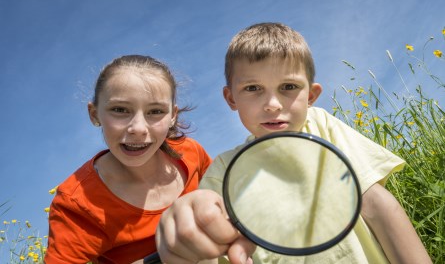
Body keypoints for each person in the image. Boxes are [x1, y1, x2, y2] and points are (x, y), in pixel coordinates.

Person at [155, 23, 432, 263]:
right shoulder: (224, 170)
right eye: (253, 88)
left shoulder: (322, 126)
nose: (273, 105)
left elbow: (377, 205)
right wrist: (184, 241)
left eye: (288, 87)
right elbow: (209, 252)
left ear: (311, 95)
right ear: (231, 99)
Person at [44, 55, 212, 263]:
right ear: (94, 114)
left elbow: (227, 199)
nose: (138, 129)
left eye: (155, 111)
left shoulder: (191, 152)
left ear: (172, 116)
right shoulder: (76, 204)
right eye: (120, 110)